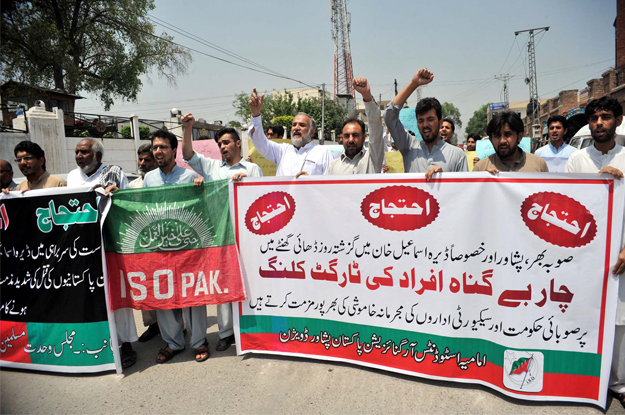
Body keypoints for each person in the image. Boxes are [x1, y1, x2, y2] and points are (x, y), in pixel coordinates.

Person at [564, 97, 625, 408]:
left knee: (620, 320)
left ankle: (619, 385)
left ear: (617, 119)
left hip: (621, 254)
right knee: (586, 313)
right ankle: (587, 378)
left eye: (605, 117)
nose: (599, 123)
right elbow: (569, 206)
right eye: (594, 118)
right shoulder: (577, 161)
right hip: (586, 255)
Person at [181, 118, 262, 352]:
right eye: (220, 144)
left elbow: (262, 199)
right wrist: (187, 128)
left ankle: (249, 328)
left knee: (249, 281)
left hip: (246, 235)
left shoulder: (252, 169)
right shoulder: (212, 167)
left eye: (226, 142)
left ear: (238, 144)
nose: (223, 147)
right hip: (220, 234)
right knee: (225, 282)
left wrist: (245, 182)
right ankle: (226, 333)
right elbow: (187, 154)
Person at [66, 138, 138, 368]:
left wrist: (115, 195)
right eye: (77, 152)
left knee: (118, 294)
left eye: (84, 152)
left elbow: (128, 207)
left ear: (97, 156)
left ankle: (126, 343)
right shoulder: (71, 177)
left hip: (110, 243)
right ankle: (98, 342)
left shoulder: (114, 173)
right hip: (82, 247)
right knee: (90, 295)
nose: (79, 156)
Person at [142, 129, 209, 363]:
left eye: (162, 147)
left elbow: (204, 208)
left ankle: (199, 341)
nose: (157, 151)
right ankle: (173, 342)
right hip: (160, 247)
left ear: (174, 150)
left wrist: (203, 189)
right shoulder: (148, 179)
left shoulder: (190, 177)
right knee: (164, 295)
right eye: (155, 147)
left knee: (194, 295)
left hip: (187, 246)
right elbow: (141, 210)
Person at [384, 68, 468, 180]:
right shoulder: (409, 147)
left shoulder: (457, 155)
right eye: (421, 121)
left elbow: (464, 191)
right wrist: (414, 84)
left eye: (430, 119)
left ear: (440, 121)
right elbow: (389, 116)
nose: (425, 125)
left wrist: (446, 179)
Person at [248, 88, 334, 176]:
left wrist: (310, 182)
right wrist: (256, 114)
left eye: (302, 125)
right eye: (294, 125)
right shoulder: (282, 151)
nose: (296, 128)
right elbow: (260, 142)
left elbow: (329, 184)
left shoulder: (322, 152)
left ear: (311, 132)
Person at [125, 144, 161, 342]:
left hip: (164, 241)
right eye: (140, 160)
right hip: (141, 243)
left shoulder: (164, 182)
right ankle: (153, 325)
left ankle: (176, 327)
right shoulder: (132, 186)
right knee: (144, 286)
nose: (143, 163)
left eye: (147, 160)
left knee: (166, 283)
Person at [327, 77, 384, 175]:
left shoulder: (372, 158)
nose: (350, 140)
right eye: (346, 136)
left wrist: (366, 94)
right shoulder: (333, 167)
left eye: (355, 135)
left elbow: (375, 125)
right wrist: (306, 180)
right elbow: (324, 189)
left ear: (363, 137)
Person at [473, 111, 548, 173]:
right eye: (497, 135)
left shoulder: (539, 165)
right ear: (490, 139)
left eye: (507, 134)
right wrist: (483, 180)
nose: (502, 141)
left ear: (519, 136)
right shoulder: (480, 168)